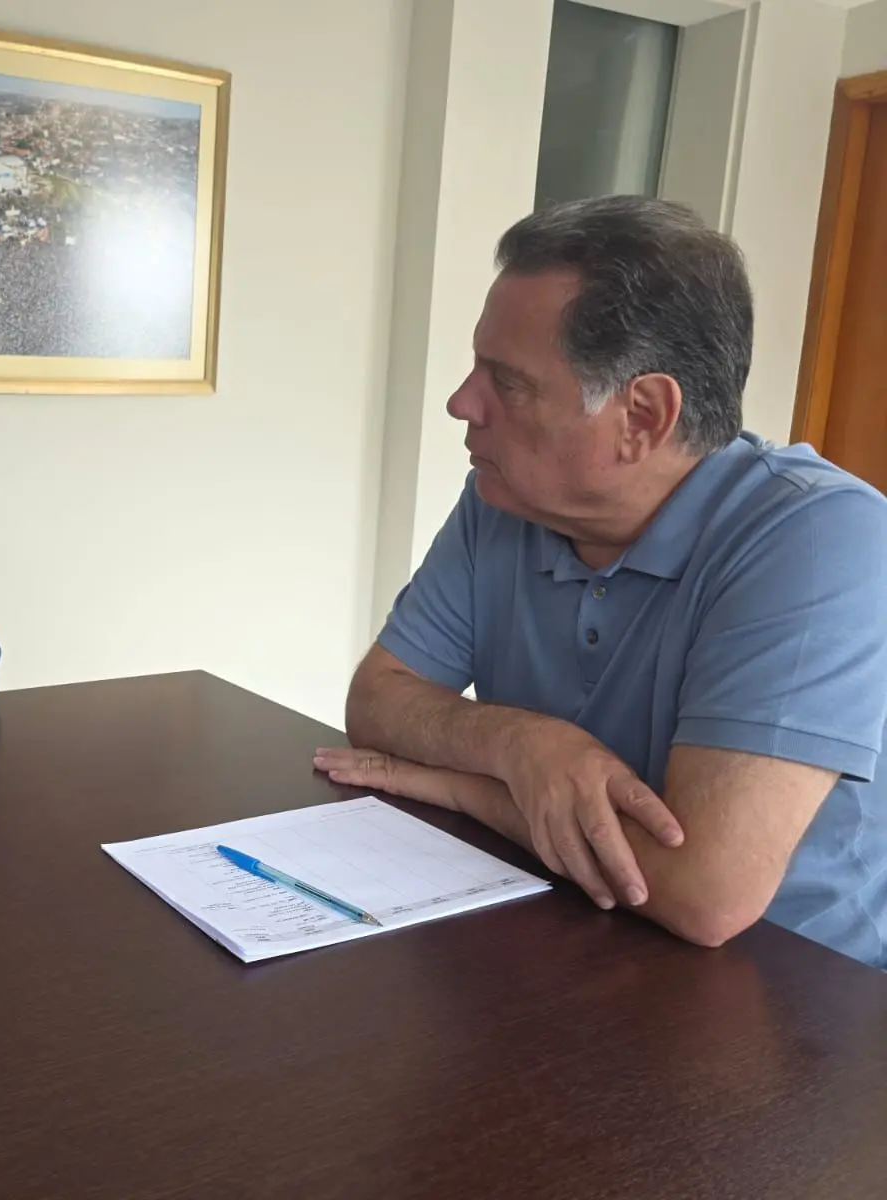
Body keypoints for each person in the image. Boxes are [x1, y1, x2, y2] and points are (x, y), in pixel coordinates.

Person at [315, 196, 887, 969]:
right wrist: (525, 743)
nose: (461, 403)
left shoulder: (820, 536)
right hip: (573, 938)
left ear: (643, 416)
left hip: (797, 998)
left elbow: (705, 894)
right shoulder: (504, 502)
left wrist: (467, 787)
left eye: (507, 383)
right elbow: (378, 699)